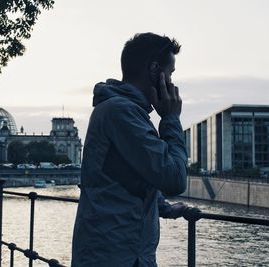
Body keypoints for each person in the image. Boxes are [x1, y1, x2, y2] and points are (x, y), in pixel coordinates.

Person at [71, 32, 200, 267]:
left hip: (116, 252)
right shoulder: (122, 112)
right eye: (170, 73)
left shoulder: (122, 110)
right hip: (116, 255)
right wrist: (171, 118)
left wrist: (162, 207)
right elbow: (175, 179)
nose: (171, 84)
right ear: (154, 71)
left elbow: (124, 174)